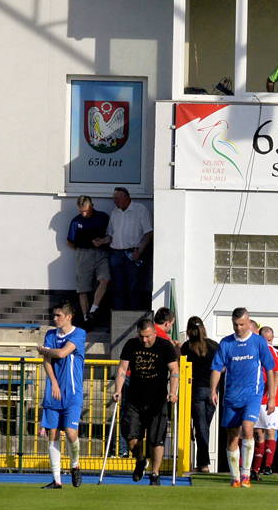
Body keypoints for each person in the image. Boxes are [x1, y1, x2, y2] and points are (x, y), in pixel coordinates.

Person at [210, 308, 276, 488]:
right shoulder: (226, 343)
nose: (238, 328)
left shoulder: (258, 342)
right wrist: (213, 390)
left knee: (248, 429)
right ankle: (235, 477)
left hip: (252, 395)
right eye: (235, 324)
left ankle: (246, 474)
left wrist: (271, 396)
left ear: (248, 323)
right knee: (232, 437)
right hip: (231, 397)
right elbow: (216, 368)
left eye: (241, 324)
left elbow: (270, 369)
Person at [113, 318, 179, 486]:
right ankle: (141, 460)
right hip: (135, 399)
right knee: (131, 436)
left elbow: (174, 370)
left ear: (154, 333)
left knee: (157, 439)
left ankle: (155, 474)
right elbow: (122, 368)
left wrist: (173, 392)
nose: (144, 340)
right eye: (141, 336)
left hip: (157, 400)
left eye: (148, 336)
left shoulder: (165, 347)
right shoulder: (131, 345)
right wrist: (118, 390)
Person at [36, 301, 87, 489]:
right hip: (54, 391)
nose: (55, 319)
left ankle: (75, 465)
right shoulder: (50, 334)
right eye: (54, 315)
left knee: (71, 432)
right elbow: (47, 360)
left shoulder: (79, 333)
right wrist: (54, 383)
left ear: (68, 316)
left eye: (58, 315)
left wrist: (44, 350)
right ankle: (56, 479)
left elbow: (62, 353)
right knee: (53, 433)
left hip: (73, 392)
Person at [93, 186, 152, 311]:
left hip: (133, 253)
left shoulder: (140, 210)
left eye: (117, 198)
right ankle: (118, 320)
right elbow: (110, 235)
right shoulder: (115, 212)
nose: (115, 201)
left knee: (133, 286)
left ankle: (133, 319)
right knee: (117, 287)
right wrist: (102, 241)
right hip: (116, 253)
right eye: (114, 199)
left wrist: (140, 251)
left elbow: (148, 233)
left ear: (126, 198)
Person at [180, 316, 219, 473]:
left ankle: (203, 463)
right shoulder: (214, 346)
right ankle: (202, 462)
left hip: (195, 390)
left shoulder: (186, 347)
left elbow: (181, 365)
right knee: (204, 428)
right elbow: (221, 367)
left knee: (201, 427)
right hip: (212, 391)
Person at [66, 195, 110, 322]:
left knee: (105, 279)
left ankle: (93, 310)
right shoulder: (76, 221)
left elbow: (111, 234)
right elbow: (70, 241)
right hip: (83, 254)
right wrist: (82, 250)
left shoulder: (103, 217)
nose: (84, 214)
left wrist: (102, 241)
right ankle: (86, 318)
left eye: (86, 211)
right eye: (81, 211)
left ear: (92, 206)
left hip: (101, 252)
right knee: (83, 288)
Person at [251, 326, 278, 480]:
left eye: (270, 339)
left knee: (268, 432)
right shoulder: (255, 350)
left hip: (270, 399)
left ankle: (267, 465)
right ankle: (257, 468)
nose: (267, 342)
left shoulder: (277, 353)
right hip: (258, 398)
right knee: (259, 433)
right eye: (265, 339)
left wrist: (273, 393)